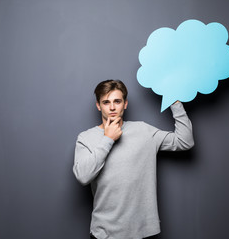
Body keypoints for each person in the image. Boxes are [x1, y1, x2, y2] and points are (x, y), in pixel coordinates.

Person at [73, 80, 194, 239]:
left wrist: (175, 102)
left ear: (125, 104)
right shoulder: (86, 138)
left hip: (144, 232)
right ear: (98, 106)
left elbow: (185, 141)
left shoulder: (144, 130)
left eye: (117, 101)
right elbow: (83, 176)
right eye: (106, 102)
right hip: (104, 234)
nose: (112, 107)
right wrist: (108, 139)